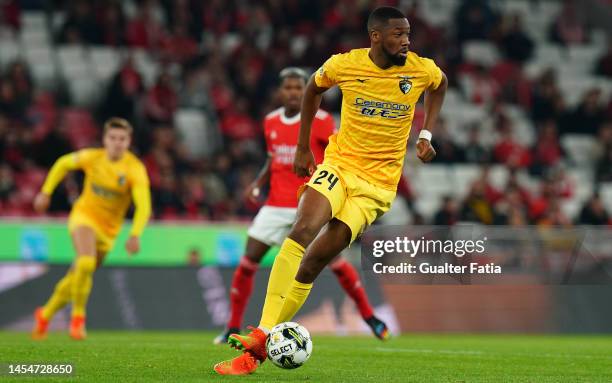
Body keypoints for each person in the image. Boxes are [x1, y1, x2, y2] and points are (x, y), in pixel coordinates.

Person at [214, 6, 446, 375]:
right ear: (375, 36)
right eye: (398, 34)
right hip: (340, 165)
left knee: (314, 261)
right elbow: (313, 89)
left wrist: (427, 133)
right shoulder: (345, 64)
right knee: (302, 230)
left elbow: (440, 84)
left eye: (408, 34)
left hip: (377, 186)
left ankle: (255, 352)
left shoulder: (419, 69)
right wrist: (304, 146)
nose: (406, 41)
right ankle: (261, 333)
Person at [214, 68, 389, 345]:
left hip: (308, 203)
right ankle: (231, 326)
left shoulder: (320, 121)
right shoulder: (270, 121)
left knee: (333, 261)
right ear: (280, 92)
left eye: (299, 88)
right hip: (275, 204)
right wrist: (258, 182)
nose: (294, 93)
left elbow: (338, 155)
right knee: (248, 261)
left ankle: (369, 316)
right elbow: (273, 158)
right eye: (289, 88)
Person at [31, 117, 152, 340]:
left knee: (77, 275)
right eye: (113, 138)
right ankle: (78, 320)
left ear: (128, 142)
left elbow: (144, 206)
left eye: (122, 139)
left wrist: (135, 234)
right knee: (85, 262)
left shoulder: (135, 169)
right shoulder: (92, 157)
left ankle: (45, 314)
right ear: (105, 140)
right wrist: (46, 191)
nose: (117, 143)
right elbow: (62, 164)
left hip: (109, 231)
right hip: (84, 217)